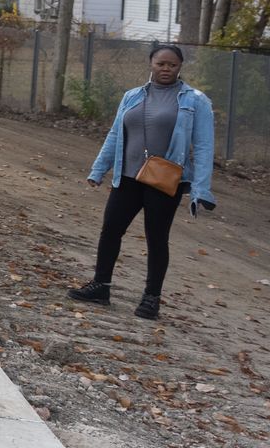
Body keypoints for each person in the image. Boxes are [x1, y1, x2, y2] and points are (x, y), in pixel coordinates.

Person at [69, 44, 217, 321]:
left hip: (164, 180)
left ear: (180, 67)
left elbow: (205, 147)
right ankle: (101, 286)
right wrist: (98, 169)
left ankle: (151, 299)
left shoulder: (195, 101)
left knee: (157, 239)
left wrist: (201, 190)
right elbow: (115, 134)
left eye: (172, 65)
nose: (166, 69)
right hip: (127, 177)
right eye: (161, 63)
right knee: (110, 230)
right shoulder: (133, 96)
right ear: (151, 63)